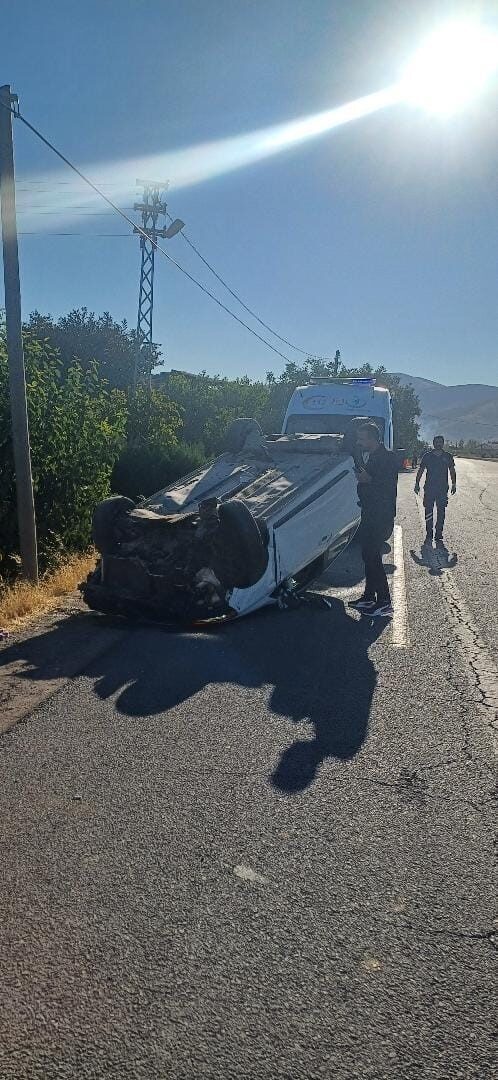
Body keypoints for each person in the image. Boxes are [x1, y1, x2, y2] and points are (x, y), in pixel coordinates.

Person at [349, 422, 398, 618]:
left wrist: (368, 480)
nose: (359, 442)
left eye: (362, 438)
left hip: (381, 514)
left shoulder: (387, 456)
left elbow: (388, 485)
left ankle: (384, 601)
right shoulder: (372, 456)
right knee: (367, 554)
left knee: (373, 555)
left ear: (372, 438)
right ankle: (369, 596)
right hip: (369, 512)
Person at [414, 436, 456, 548]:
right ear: (433, 443)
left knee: (441, 511)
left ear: (443, 443)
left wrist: (454, 484)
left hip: (442, 489)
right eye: (436, 442)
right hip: (429, 489)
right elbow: (421, 470)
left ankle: (438, 534)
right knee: (428, 511)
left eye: (440, 442)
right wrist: (417, 483)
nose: (438, 444)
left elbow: (452, 470)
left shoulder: (447, 456)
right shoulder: (427, 456)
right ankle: (429, 533)